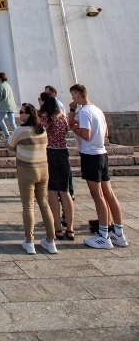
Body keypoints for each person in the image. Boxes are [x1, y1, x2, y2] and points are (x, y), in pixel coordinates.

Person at [68, 84, 127, 249]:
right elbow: (106, 133)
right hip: (102, 154)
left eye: (73, 95)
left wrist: (76, 130)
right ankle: (118, 233)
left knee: (97, 195)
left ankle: (103, 235)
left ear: (78, 95)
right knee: (109, 194)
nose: (72, 99)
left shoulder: (85, 112)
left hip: (90, 155)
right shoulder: (98, 110)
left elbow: (85, 135)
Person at [7, 103, 57, 255]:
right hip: (43, 170)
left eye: (21, 112)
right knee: (44, 204)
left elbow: (10, 145)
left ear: (27, 116)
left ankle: (29, 241)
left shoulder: (21, 130)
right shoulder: (42, 130)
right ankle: (51, 240)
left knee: (28, 206)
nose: (19, 113)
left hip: (27, 170)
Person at [38, 91, 74, 240]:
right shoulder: (62, 119)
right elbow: (67, 131)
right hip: (63, 153)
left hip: (48, 153)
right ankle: (70, 229)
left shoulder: (42, 120)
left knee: (52, 191)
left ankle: (57, 227)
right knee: (64, 191)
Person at [0, 72, 17, 140]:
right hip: (11, 105)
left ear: (0, 78)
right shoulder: (8, 85)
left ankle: (7, 134)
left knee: (1, 119)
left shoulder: (1, 86)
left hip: (3, 105)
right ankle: (18, 135)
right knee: (12, 122)